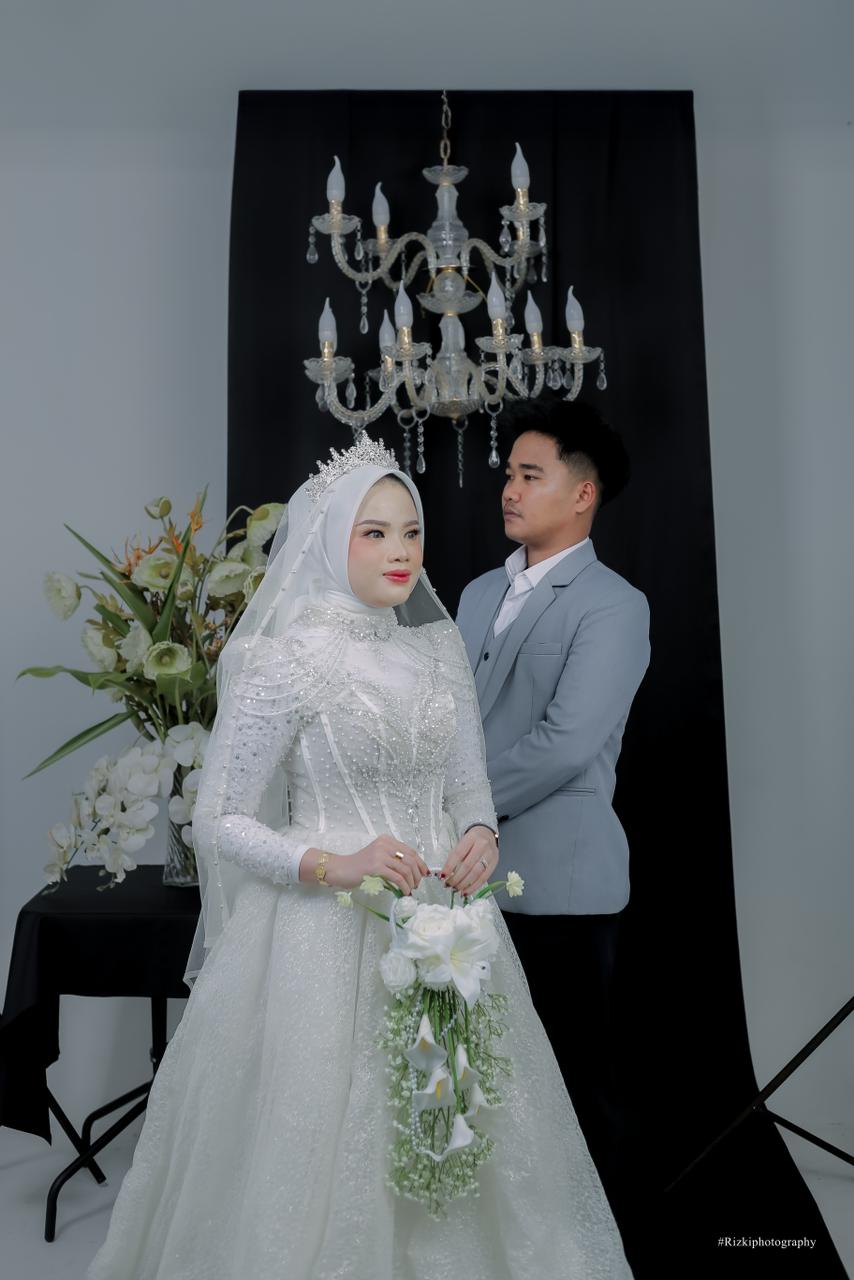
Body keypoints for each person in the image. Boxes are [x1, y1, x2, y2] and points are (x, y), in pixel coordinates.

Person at [86, 435, 634, 1280]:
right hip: (317, 938)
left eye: (410, 532)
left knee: (463, 1136)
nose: (399, 551)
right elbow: (217, 818)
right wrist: (332, 864)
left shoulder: (437, 648)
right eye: (373, 533)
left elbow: (469, 786)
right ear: (326, 540)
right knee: (320, 1150)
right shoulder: (283, 658)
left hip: (446, 930)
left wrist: (481, 835)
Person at [455, 397, 651, 1237]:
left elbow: (566, 743)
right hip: (464, 883)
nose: (509, 489)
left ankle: (591, 1247)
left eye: (530, 475)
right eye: (509, 473)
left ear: (583, 493)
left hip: (561, 889)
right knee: (478, 1079)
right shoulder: (473, 594)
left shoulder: (614, 605)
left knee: (574, 1086)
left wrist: (458, 803)